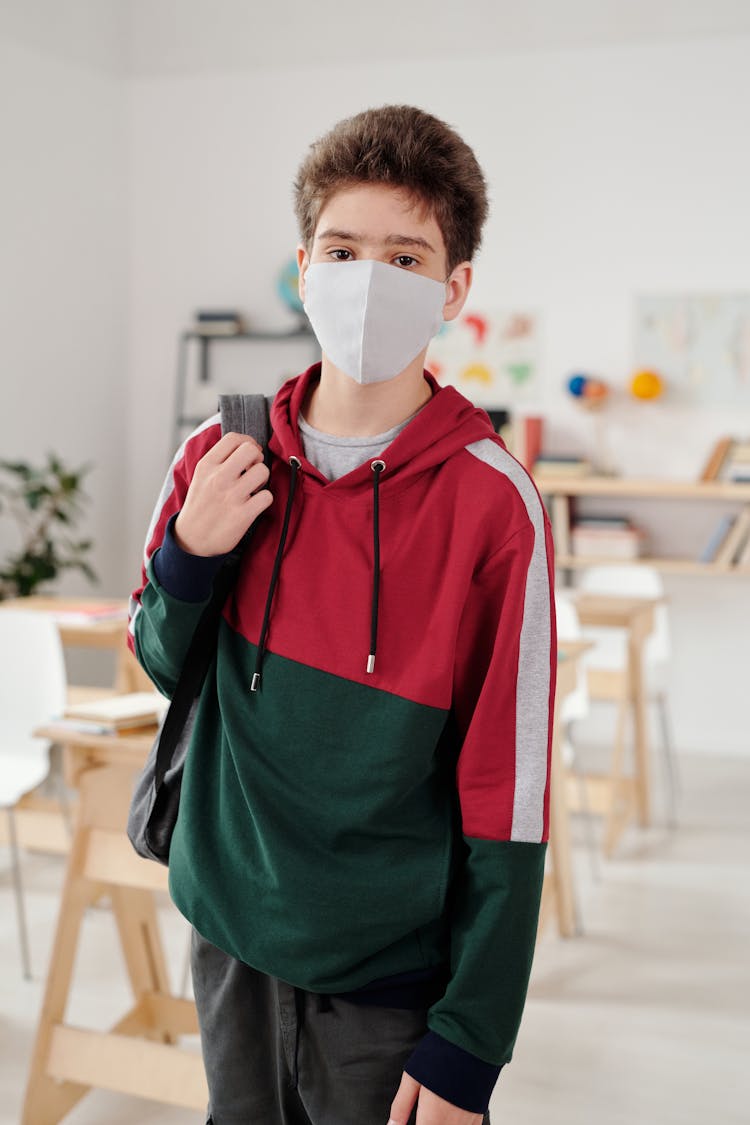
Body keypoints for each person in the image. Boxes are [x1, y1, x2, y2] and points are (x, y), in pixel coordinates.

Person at [129, 104, 556, 1125]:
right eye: (344, 248)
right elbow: (155, 654)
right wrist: (194, 551)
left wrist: (473, 1040)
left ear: (454, 289)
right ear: (306, 267)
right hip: (229, 938)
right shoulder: (218, 452)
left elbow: (512, 789)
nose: (371, 279)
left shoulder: (494, 503)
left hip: (389, 979)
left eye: (407, 258)